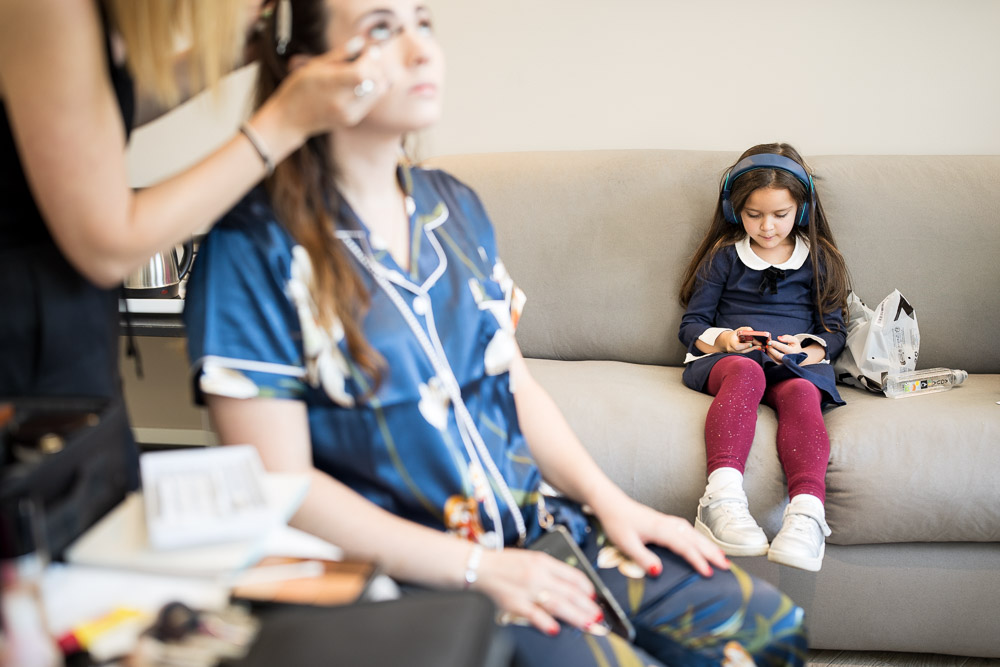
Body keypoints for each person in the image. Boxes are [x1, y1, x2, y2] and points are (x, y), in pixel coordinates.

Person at [183, 1, 808, 664]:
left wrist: (611, 501)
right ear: (308, 70)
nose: (421, 50)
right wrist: (479, 569)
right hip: (415, 581)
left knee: (768, 628)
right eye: (382, 30)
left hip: (541, 528)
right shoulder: (250, 245)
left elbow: (514, 382)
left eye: (423, 23)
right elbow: (282, 480)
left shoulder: (455, 205)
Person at [0, 0, 388, 416]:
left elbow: (86, 114)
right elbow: (107, 246)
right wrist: (284, 123)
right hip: (24, 359)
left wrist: (227, 56)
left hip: (72, 343)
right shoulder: (44, 9)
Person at [677, 143, 851, 573]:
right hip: (732, 361)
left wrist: (806, 348)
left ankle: (807, 515)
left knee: (801, 395)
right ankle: (721, 499)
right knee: (746, 372)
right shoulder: (723, 256)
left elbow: (835, 329)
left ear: (803, 210)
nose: (767, 227)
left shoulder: (820, 259)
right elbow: (692, 325)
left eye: (780, 214)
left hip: (791, 364)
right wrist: (724, 341)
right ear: (735, 210)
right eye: (754, 215)